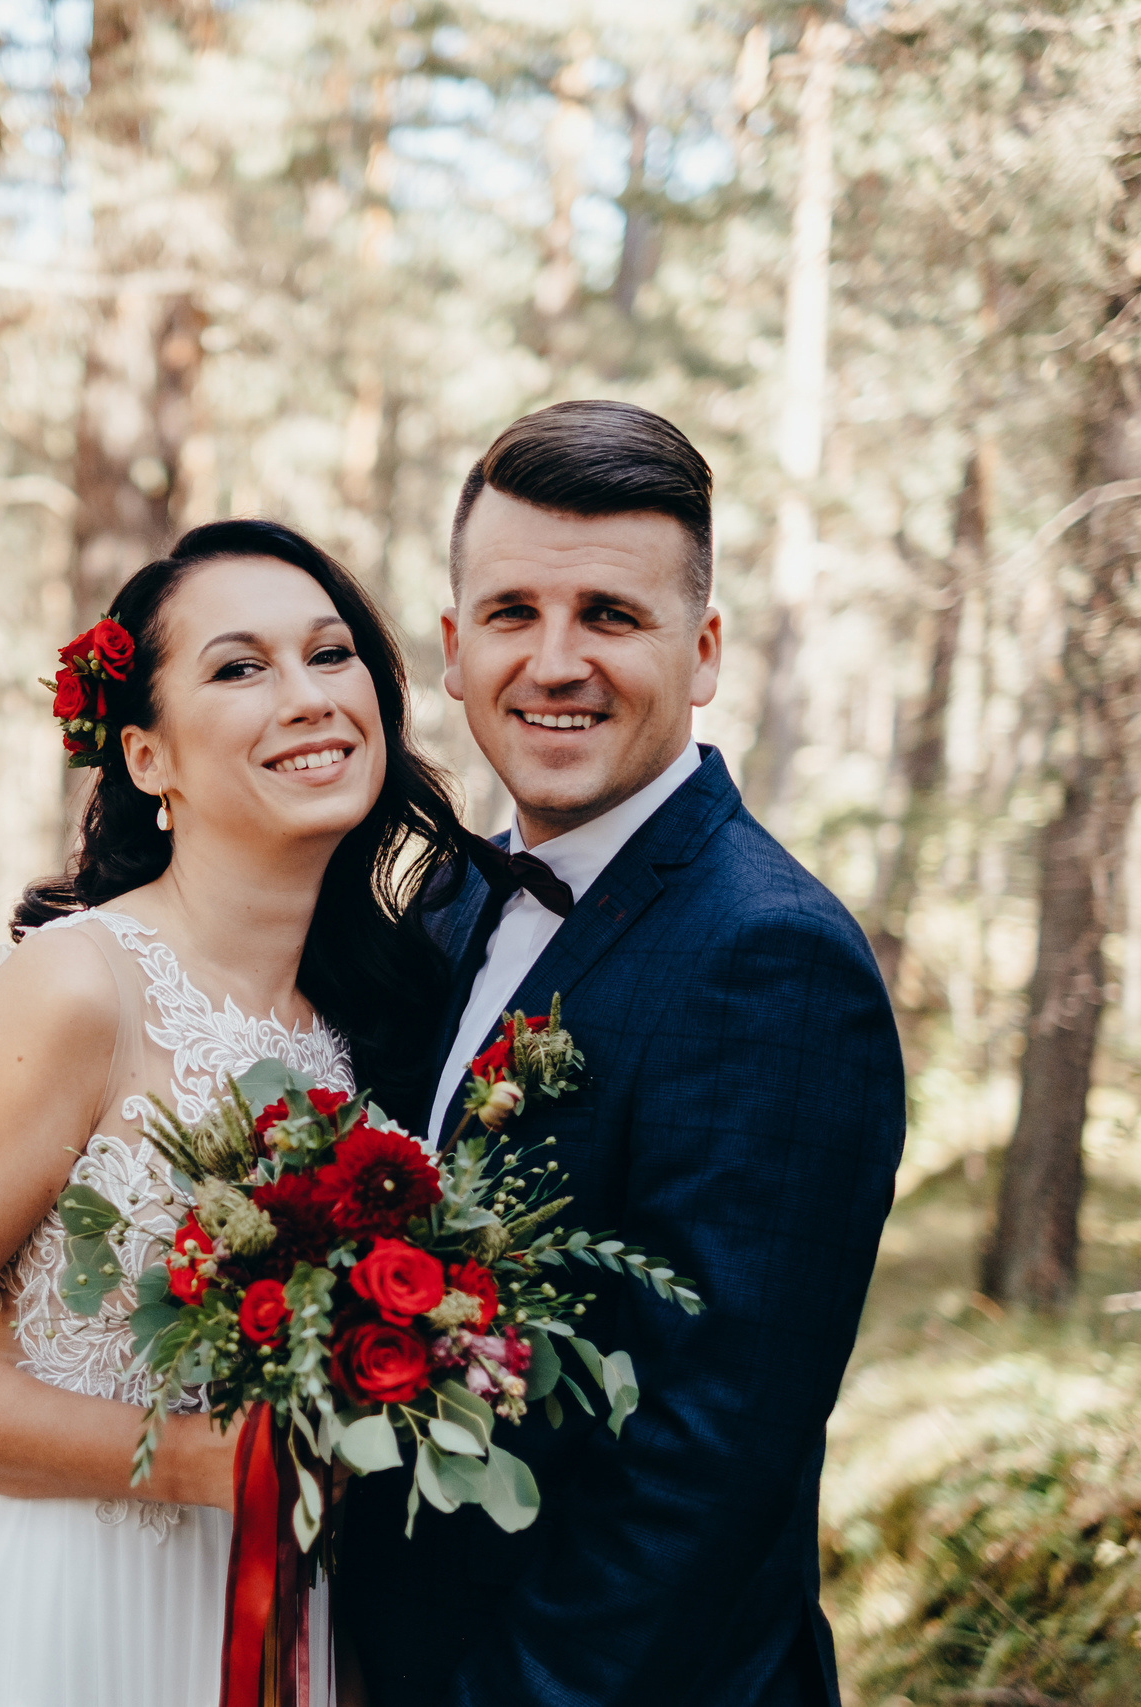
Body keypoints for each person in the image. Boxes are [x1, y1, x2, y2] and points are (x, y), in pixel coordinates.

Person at [0, 518, 479, 1706]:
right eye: (238, 668)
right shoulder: (79, 986)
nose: (309, 697)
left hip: (278, 1613)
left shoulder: (367, 1028)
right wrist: (208, 1464)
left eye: (331, 657)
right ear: (145, 757)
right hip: (53, 1616)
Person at [334, 401, 906, 1705]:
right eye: (513, 612)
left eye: (610, 614)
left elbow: (706, 1467)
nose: (554, 660)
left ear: (702, 651)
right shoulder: (449, 903)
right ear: (453, 648)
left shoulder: (772, 959)